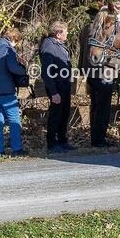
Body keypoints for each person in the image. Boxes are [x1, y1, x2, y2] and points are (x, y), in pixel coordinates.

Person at [79, 4, 114, 147]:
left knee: (95, 106)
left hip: (90, 71)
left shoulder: (86, 29)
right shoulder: (101, 30)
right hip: (103, 71)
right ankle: (99, 139)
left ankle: (96, 138)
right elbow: (105, 53)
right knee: (103, 108)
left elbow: (83, 52)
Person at [41, 21, 75, 152]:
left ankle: (62, 140)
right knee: (56, 115)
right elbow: (46, 72)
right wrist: (53, 92)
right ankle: (52, 143)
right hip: (57, 85)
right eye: (65, 32)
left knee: (64, 114)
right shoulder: (48, 46)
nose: (67, 34)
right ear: (58, 34)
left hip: (64, 84)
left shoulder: (59, 45)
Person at [0, 26, 28, 156]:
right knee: (14, 119)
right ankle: (17, 148)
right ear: (14, 39)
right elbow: (12, 67)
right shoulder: (7, 49)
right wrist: (23, 69)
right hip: (6, 90)